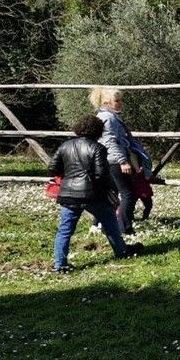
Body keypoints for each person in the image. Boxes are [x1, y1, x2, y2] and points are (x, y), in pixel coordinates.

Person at [49, 115, 142, 272]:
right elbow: (101, 174)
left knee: (65, 230)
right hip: (92, 194)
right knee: (110, 220)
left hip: (68, 193)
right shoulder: (98, 148)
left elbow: (52, 168)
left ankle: (60, 264)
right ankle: (121, 250)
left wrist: (70, 173)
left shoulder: (65, 146)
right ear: (98, 131)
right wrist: (108, 190)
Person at [90, 86, 140, 236]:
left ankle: (106, 226)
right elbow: (110, 141)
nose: (120, 103)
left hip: (108, 160)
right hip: (114, 161)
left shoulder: (105, 116)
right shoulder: (109, 118)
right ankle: (124, 228)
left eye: (121, 100)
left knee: (111, 195)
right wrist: (123, 161)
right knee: (128, 194)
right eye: (117, 101)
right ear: (107, 102)